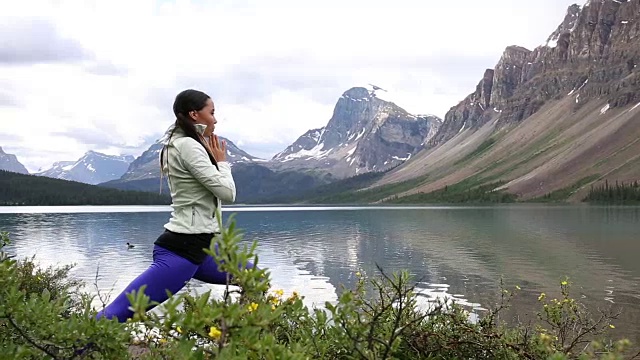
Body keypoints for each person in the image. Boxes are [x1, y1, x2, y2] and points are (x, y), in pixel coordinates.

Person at [96, 89, 252, 322]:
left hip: (203, 249)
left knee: (254, 277)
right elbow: (227, 193)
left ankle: (241, 340)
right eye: (212, 112)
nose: (216, 119)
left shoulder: (185, 143)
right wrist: (222, 163)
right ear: (194, 115)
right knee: (120, 312)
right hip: (182, 252)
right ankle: (71, 347)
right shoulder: (187, 146)